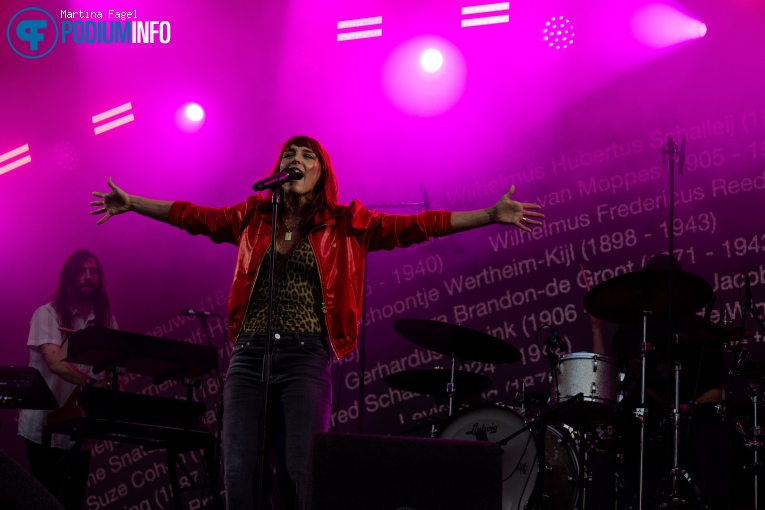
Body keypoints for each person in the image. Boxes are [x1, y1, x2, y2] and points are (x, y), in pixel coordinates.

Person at [89, 135, 545, 509]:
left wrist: (488, 215)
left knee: (298, 476)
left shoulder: (348, 224)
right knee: (239, 473)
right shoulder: (252, 216)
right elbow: (193, 216)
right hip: (249, 357)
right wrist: (132, 203)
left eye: (308, 156)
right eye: (290, 153)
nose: (297, 159)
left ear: (321, 174)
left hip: (305, 358)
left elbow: (417, 227)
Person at [590, 254, 728, 509]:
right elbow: (606, 380)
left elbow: (718, 390)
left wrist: (688, 407)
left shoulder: (700, 328)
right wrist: (596, 329)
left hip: (690, 427)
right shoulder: (633, 328)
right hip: (642, 430)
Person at [17, 249, 117, 510]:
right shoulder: (47, 314)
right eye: (82, 271)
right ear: (69, 277)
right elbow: (54, 362)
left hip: (79, 432)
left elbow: (115, 368)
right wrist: (94, 385)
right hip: (42, 429)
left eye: (93, 272)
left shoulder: (107, 321)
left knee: (72, 503)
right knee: (44, 502)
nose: (88, 277)